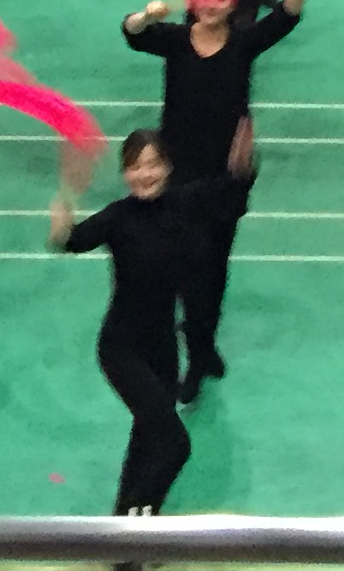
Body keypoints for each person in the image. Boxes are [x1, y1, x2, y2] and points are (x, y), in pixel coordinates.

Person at [52, 121, 260, 527]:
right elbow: (73, 240)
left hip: (164, 350)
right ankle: (139, 522)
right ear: (124, 173)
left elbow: (231, 194)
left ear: (167, 167)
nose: (144, 174)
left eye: (152, 164)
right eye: (135, 166)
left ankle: (124, 529)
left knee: (146, 441)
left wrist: (242, 168)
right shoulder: (117, 218)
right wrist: (61, 221)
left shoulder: (186, 203)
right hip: (122, 349)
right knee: (175, 444)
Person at [121, 0, 309, 395]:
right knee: (185, 267)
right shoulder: (175, 40)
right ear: (192, 0)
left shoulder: (243, 42)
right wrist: (147, 16)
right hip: (178, 177)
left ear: (232, 2)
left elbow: (285, 19)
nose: (210, 5)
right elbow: (132, 34)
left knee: (215, 269)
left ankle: (203, 349)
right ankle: (191, 351)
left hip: (227, 177)